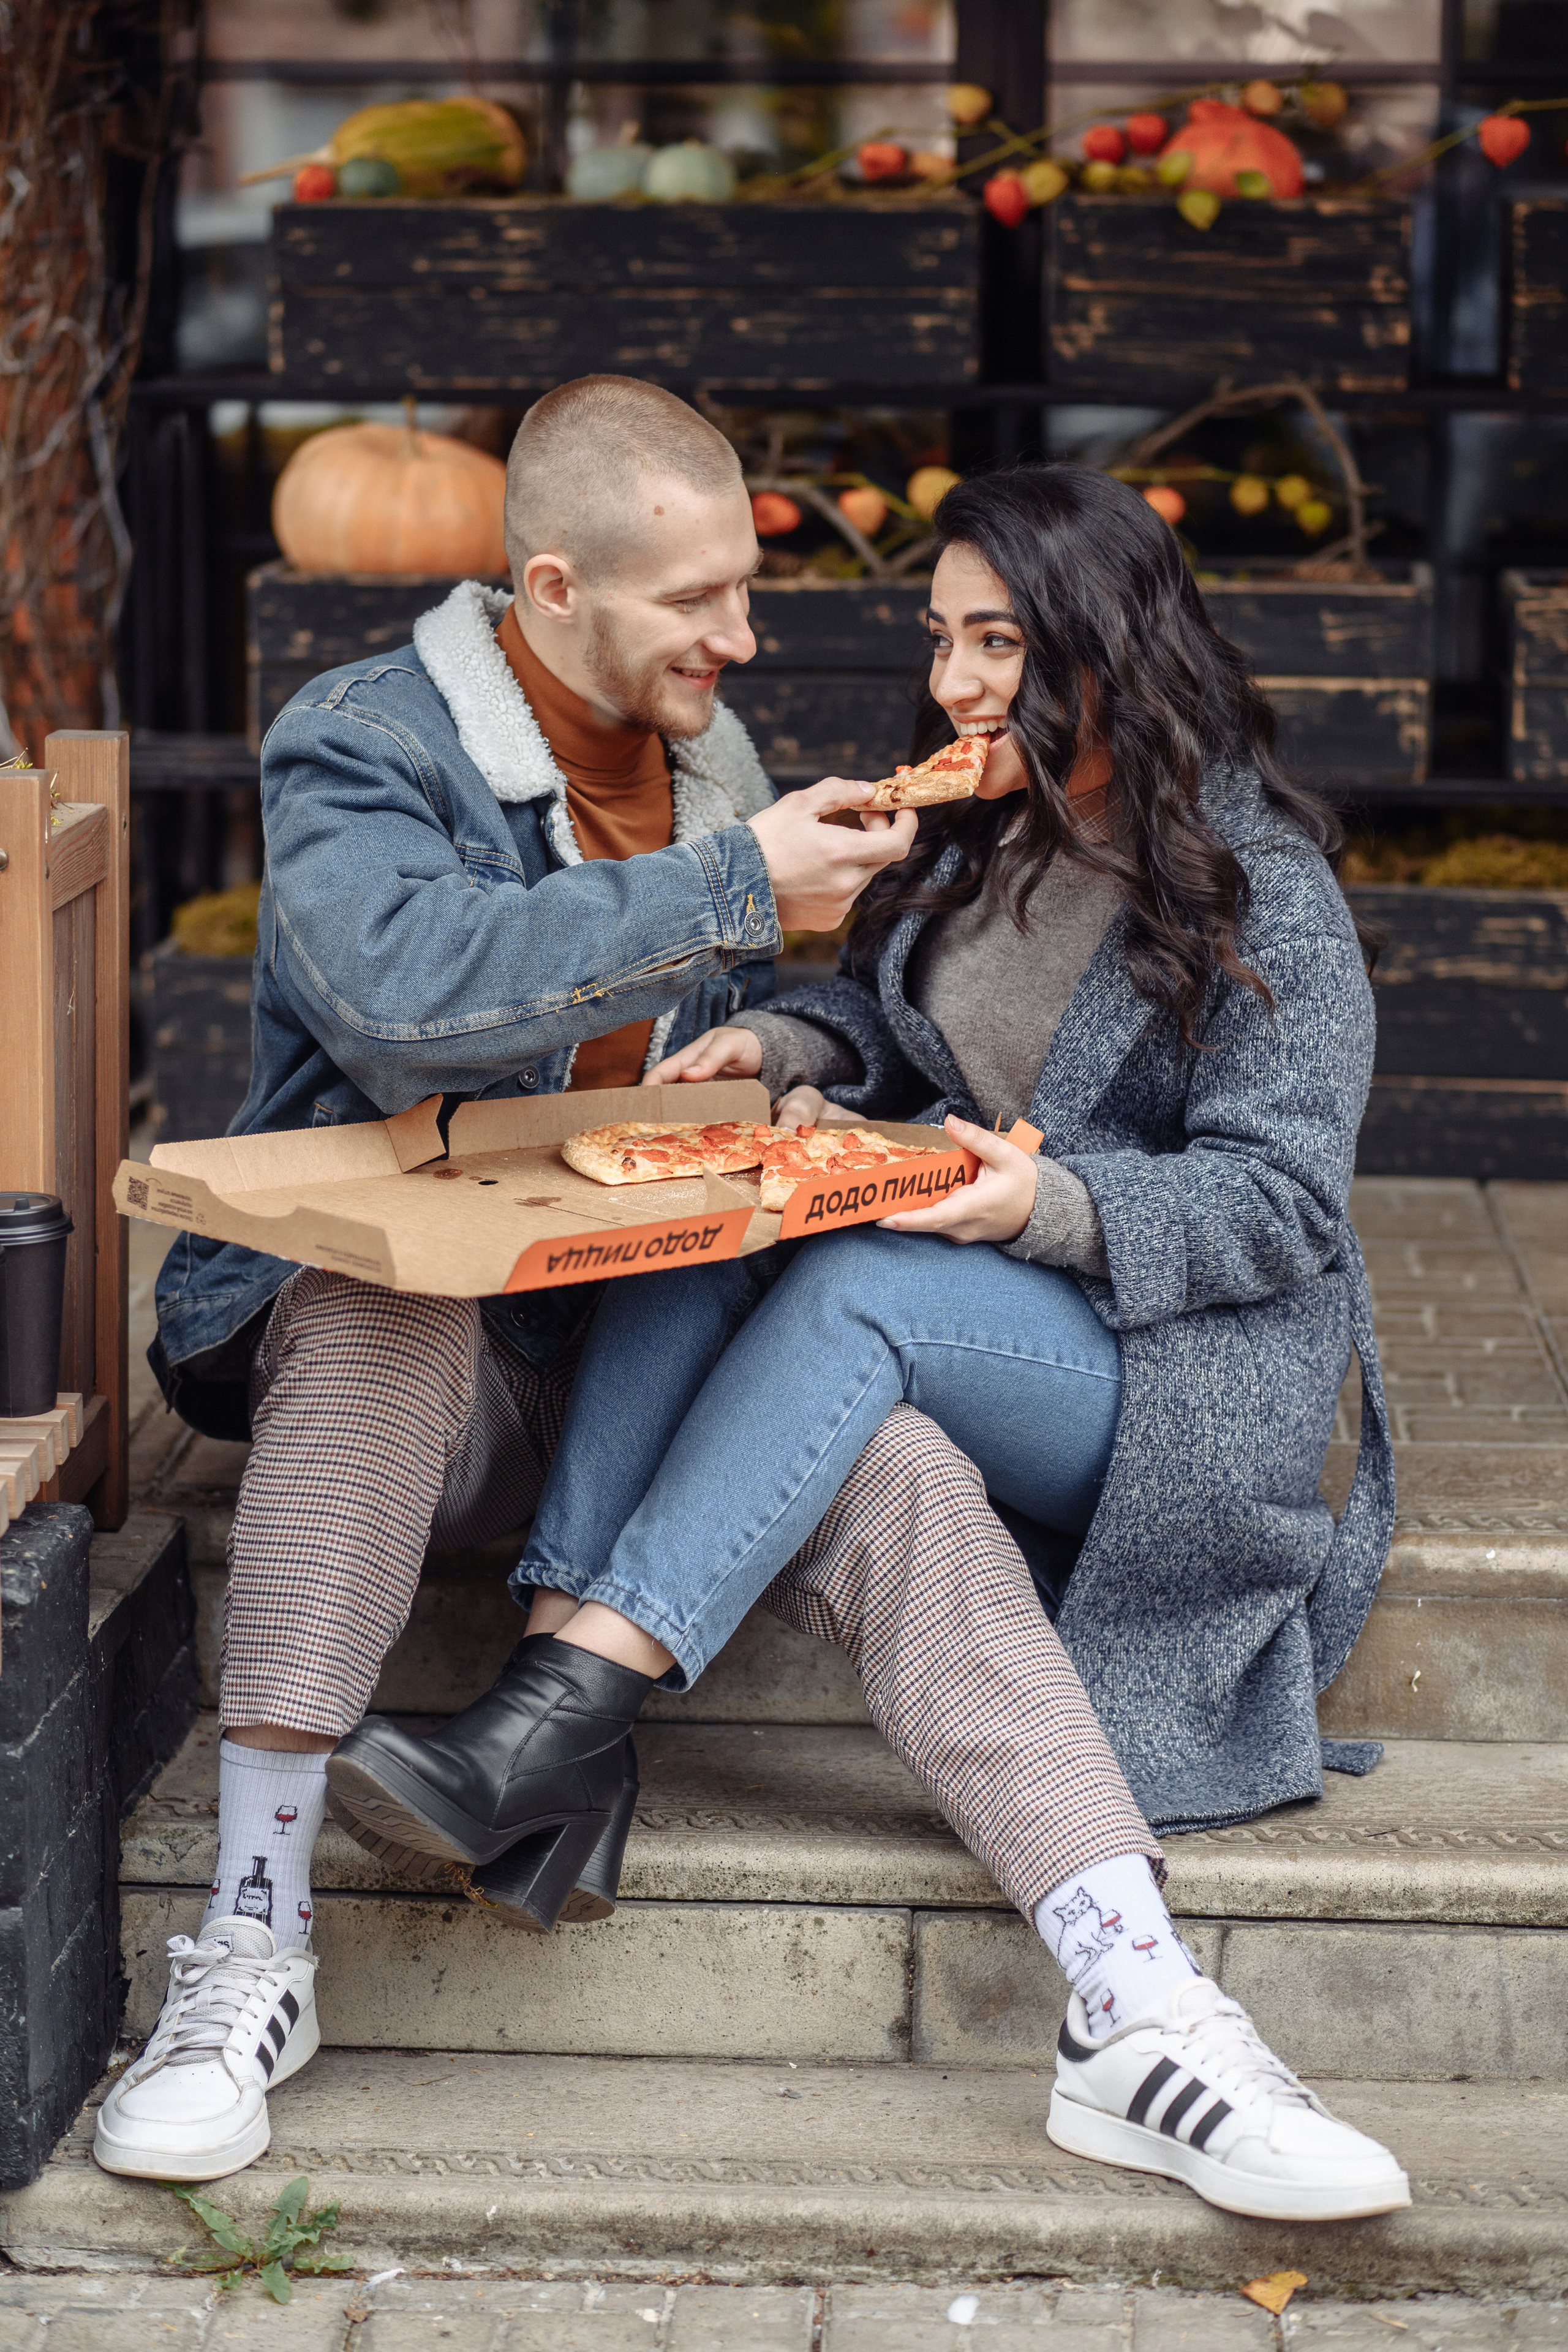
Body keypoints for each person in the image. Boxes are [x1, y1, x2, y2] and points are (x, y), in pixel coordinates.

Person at [324, 464, 1408, 2225]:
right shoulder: (986, 834)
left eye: (1001, 644)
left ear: (1111, 646)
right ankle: (554, 1718)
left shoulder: (1259, 886)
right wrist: (789, 1052)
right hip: (991, 1314)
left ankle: (563, 1715)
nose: (960, 683)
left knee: (853, 1286)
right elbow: (896, 1024)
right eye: (944, 638)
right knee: (707, 1224)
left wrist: (1044, 1205)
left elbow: (1284, 1206)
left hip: (1173, 1381)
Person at [92, 375, 924, 2185]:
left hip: (628, 1351)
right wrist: (733, 888)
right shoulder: (364, 739)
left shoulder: (715, 766)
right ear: (553, 590)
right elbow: (403, 1003)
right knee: (387, 1293)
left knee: (892, 1431)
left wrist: (791, 1045)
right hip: (423, 1359)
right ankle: (253, 1937)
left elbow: (775, 1024)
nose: (743, 638)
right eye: (695, 600)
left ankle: (1123, 1955)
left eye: (747, 587)